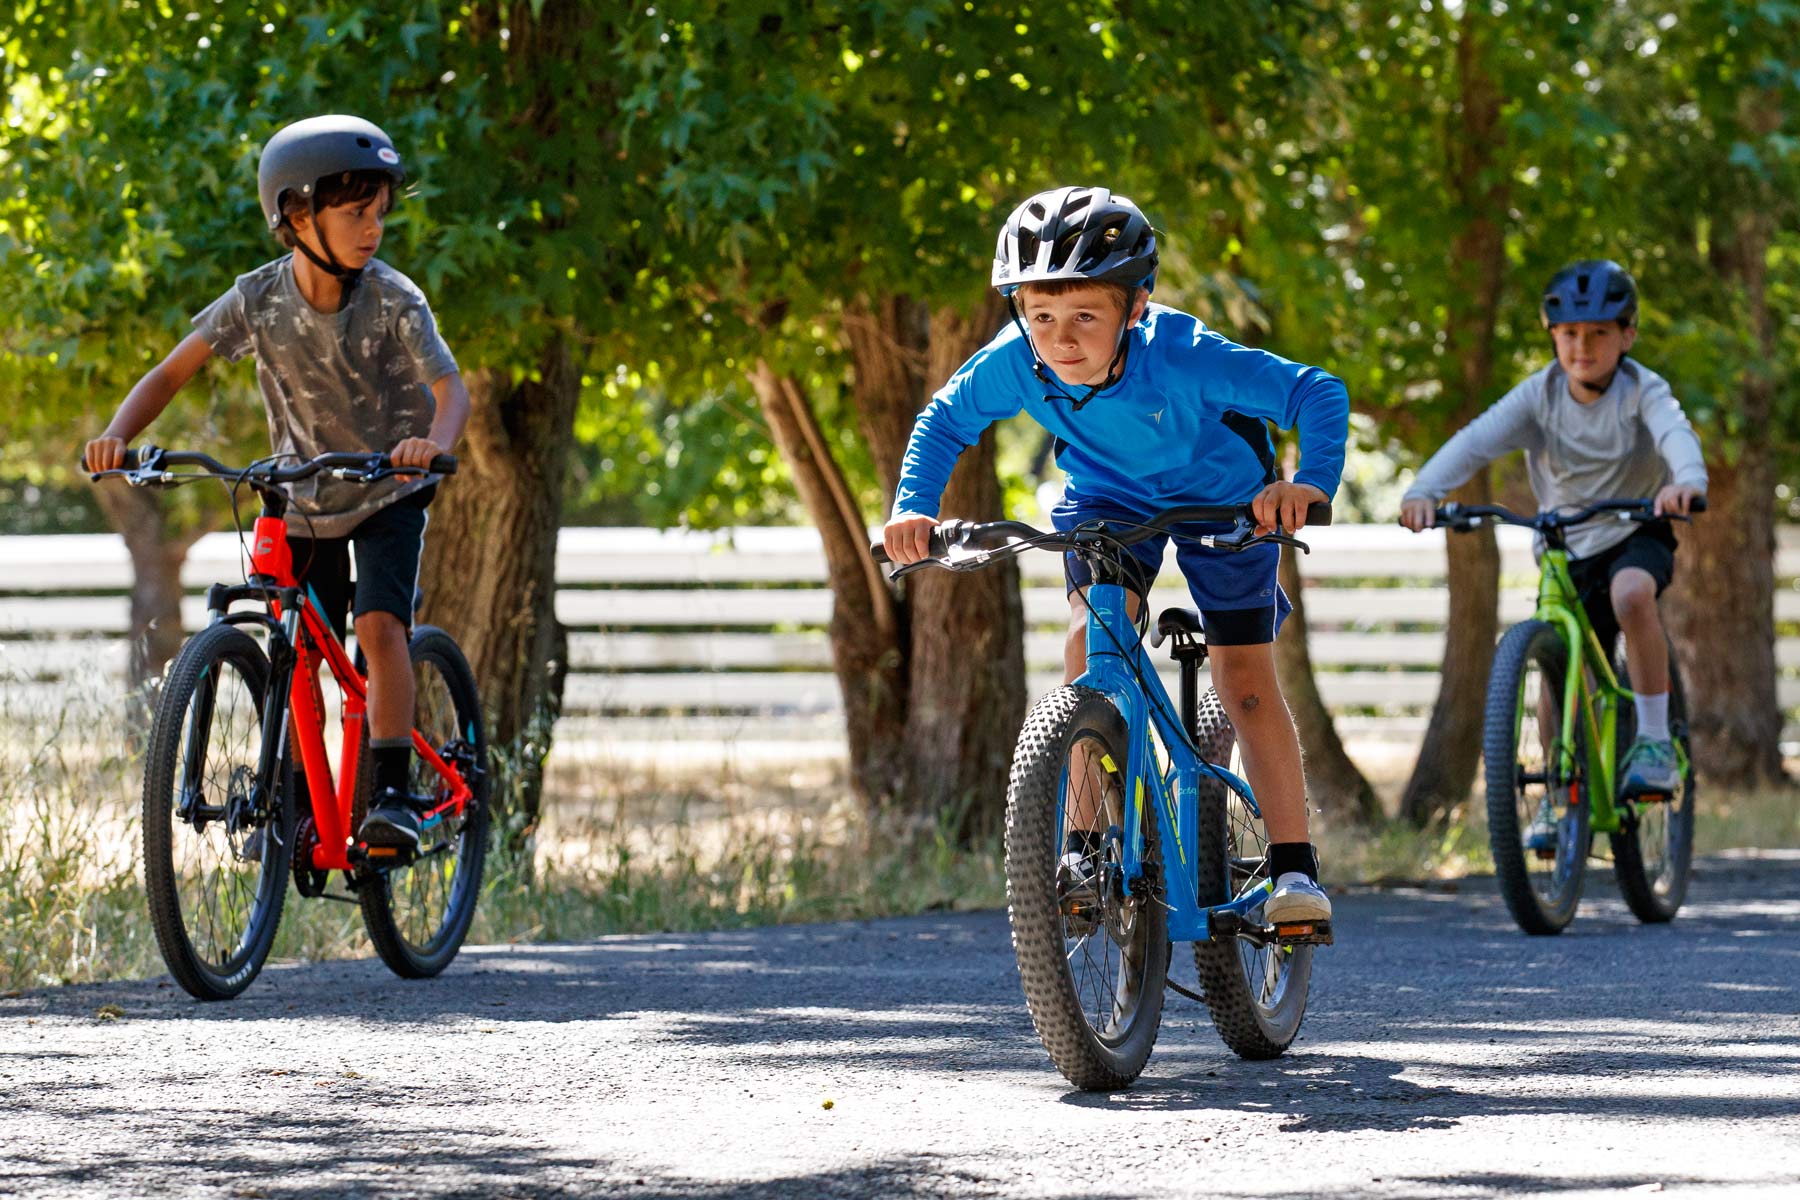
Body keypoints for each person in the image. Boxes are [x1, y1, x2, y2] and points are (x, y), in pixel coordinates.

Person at [882, 185, 1351, 925]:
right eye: (1040, 316)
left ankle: (1294, 869)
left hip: (1225, 500)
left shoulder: (1185, 355)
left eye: (1084, 317)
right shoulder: (1016, 363)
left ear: (1134, 308)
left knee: (1245, 680)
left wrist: (1307, 485)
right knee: (1090, 640)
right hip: (1108, 498)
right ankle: (1087, 843)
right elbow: (943, 419)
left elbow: (1315, 393)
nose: (1060, 338)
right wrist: (914, 506)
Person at [84, 114, 471, 851]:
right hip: (303, 497)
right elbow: (171, 372)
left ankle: (390, 794)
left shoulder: (394, 298)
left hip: (387, 488)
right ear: (296, 215)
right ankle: (295, 800)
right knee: (299, 651)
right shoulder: (257, 299)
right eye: (356, 212)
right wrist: (117, 437)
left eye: (380, 212)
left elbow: (451, 391)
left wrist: (432, 445)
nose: (373, 229)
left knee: (377, 628)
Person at [1399, 259, 1706, 814]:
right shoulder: (1539, 395)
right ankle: (1556, 793)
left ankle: (1655, 738)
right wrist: (1424, 490)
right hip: (1567, 541)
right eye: (1568, 335)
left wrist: (1686, 481)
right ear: (1553, 337)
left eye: (1598, 334)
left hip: (1636, 527)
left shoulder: (1643, 391)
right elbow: (1474, 441)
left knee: (1632, 595)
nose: (1581, 347)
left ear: (1627, 336)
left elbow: (1675, 434)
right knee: (1554, 660)